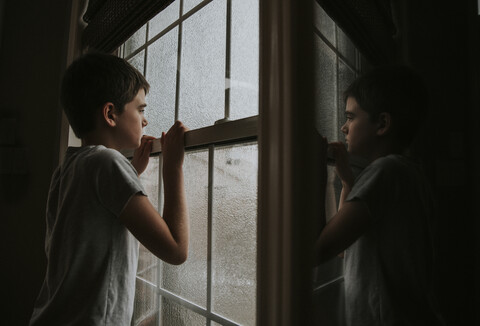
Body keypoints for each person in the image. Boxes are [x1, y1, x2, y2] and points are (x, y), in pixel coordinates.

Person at [29, 52, 189, 325]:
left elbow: (91, 219)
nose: (145, 120)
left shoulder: (69, 167)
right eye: (140, 109)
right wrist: (172, 167)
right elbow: (176, 249)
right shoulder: (107, 163)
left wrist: (133, 174)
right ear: (110, 114)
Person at [315, 66, 445, 325]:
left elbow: (322, 249)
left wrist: (313, 168)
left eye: (351, 117)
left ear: (382, 124)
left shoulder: (386, 171)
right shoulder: (406, 172)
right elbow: (346, 249)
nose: (343, 127)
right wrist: (345, 181)